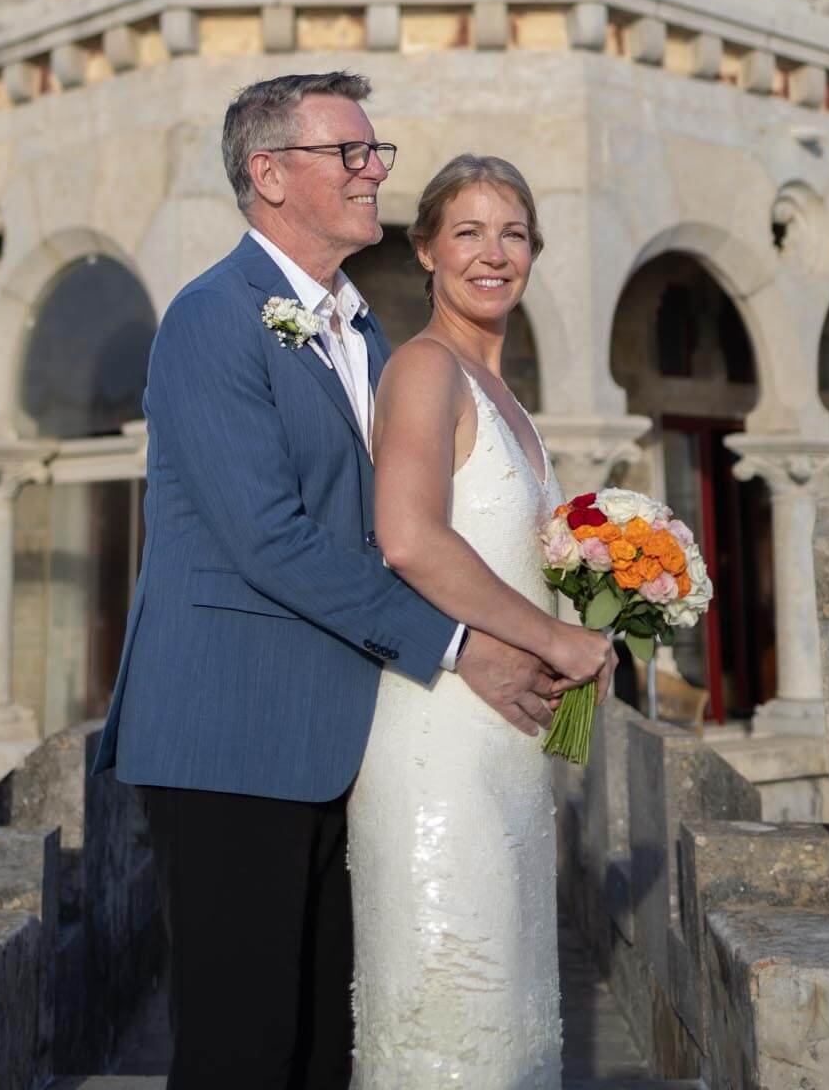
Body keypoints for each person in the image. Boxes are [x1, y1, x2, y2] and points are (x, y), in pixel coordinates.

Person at [91, 73, 611, 1090]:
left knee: (326, 1045)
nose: (374, 170)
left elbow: (385, 525)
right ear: (270, 173)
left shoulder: (360, 329)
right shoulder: (210, 317)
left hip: (345, 733)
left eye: (374, 153)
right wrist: (463, 647)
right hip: (229, 732)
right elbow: (269, 539)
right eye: (350, 153)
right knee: (241, 1048)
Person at [348, 153, 585, 1089]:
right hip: (436, 749)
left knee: (512, 1024)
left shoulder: (510, 400)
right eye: (468, 232)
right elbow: (407, 538)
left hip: (513, 756)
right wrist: (558, 634)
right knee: (451, 1019)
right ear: (425, 251)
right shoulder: (422, 369)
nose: (494, 254)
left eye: (514, 233)